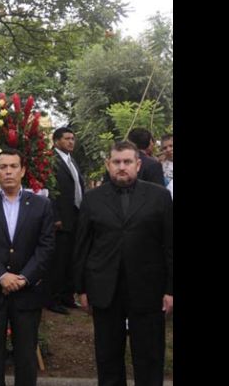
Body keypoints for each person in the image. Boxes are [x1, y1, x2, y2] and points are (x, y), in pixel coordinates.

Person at [73, 141, 173, 386]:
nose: (121, 167)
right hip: (105, 289)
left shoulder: (159, 196)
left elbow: (170, 246)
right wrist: (81, 288)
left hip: (149, 289)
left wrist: (170, 289)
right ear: (108, 165)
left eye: (127, 162)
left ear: (138, 165)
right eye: (116, 162)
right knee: (107, 359)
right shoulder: (92, 199)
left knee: (149, 359)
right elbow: (82, 246)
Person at [0, 148, 55, 386]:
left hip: (28, 291)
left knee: (26, 355)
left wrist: (23, 278)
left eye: (13, 166)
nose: (8, 171)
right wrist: (1, 276)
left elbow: (46, 246)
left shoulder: (41, 205)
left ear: (23, 170)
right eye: (3, 167)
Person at [47, 127, 85, 314]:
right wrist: (55, 216)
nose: (71, 141)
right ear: (56, 141)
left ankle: (68, 296)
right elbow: (49, 190)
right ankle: (52, 299)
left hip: (76, 216)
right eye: (67, 138)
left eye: (73, 138)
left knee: (72, 258)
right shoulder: (51, 160)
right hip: (61, 219)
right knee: (59, 260)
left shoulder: (71, 160)